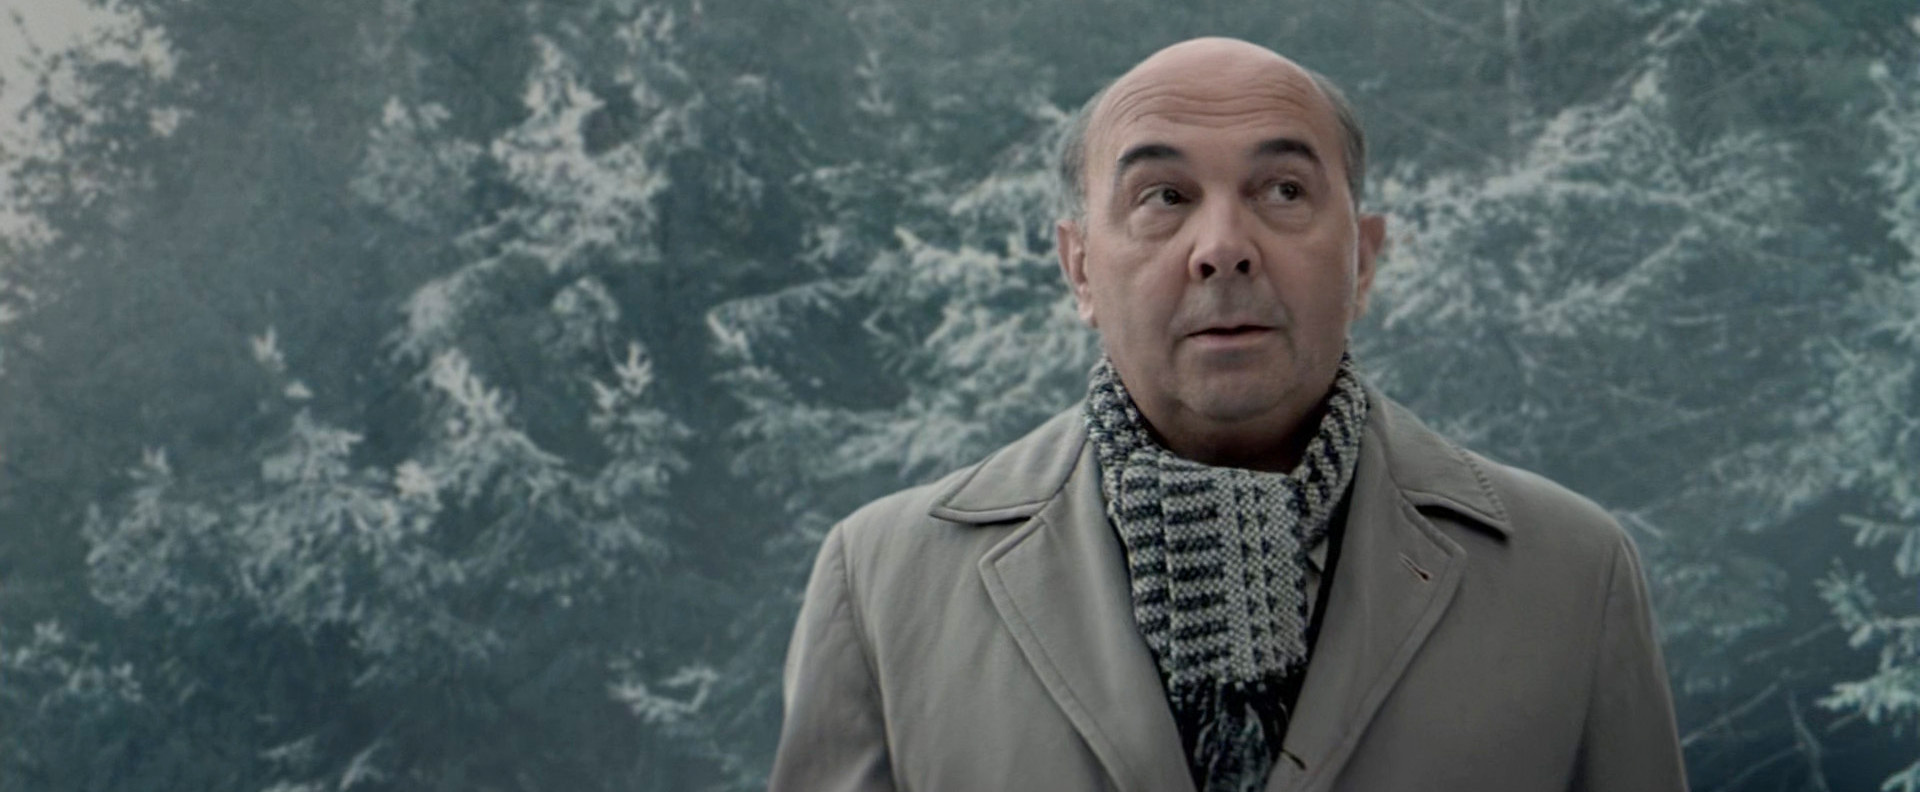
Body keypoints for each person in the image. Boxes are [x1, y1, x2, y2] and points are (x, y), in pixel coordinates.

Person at [769, 37, 1688, 792]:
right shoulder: (884, 584)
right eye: (1163, 197)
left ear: (1363, 260)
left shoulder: (1572, 573)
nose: (1222, 248)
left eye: (1283, 191)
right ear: (1080, 268)